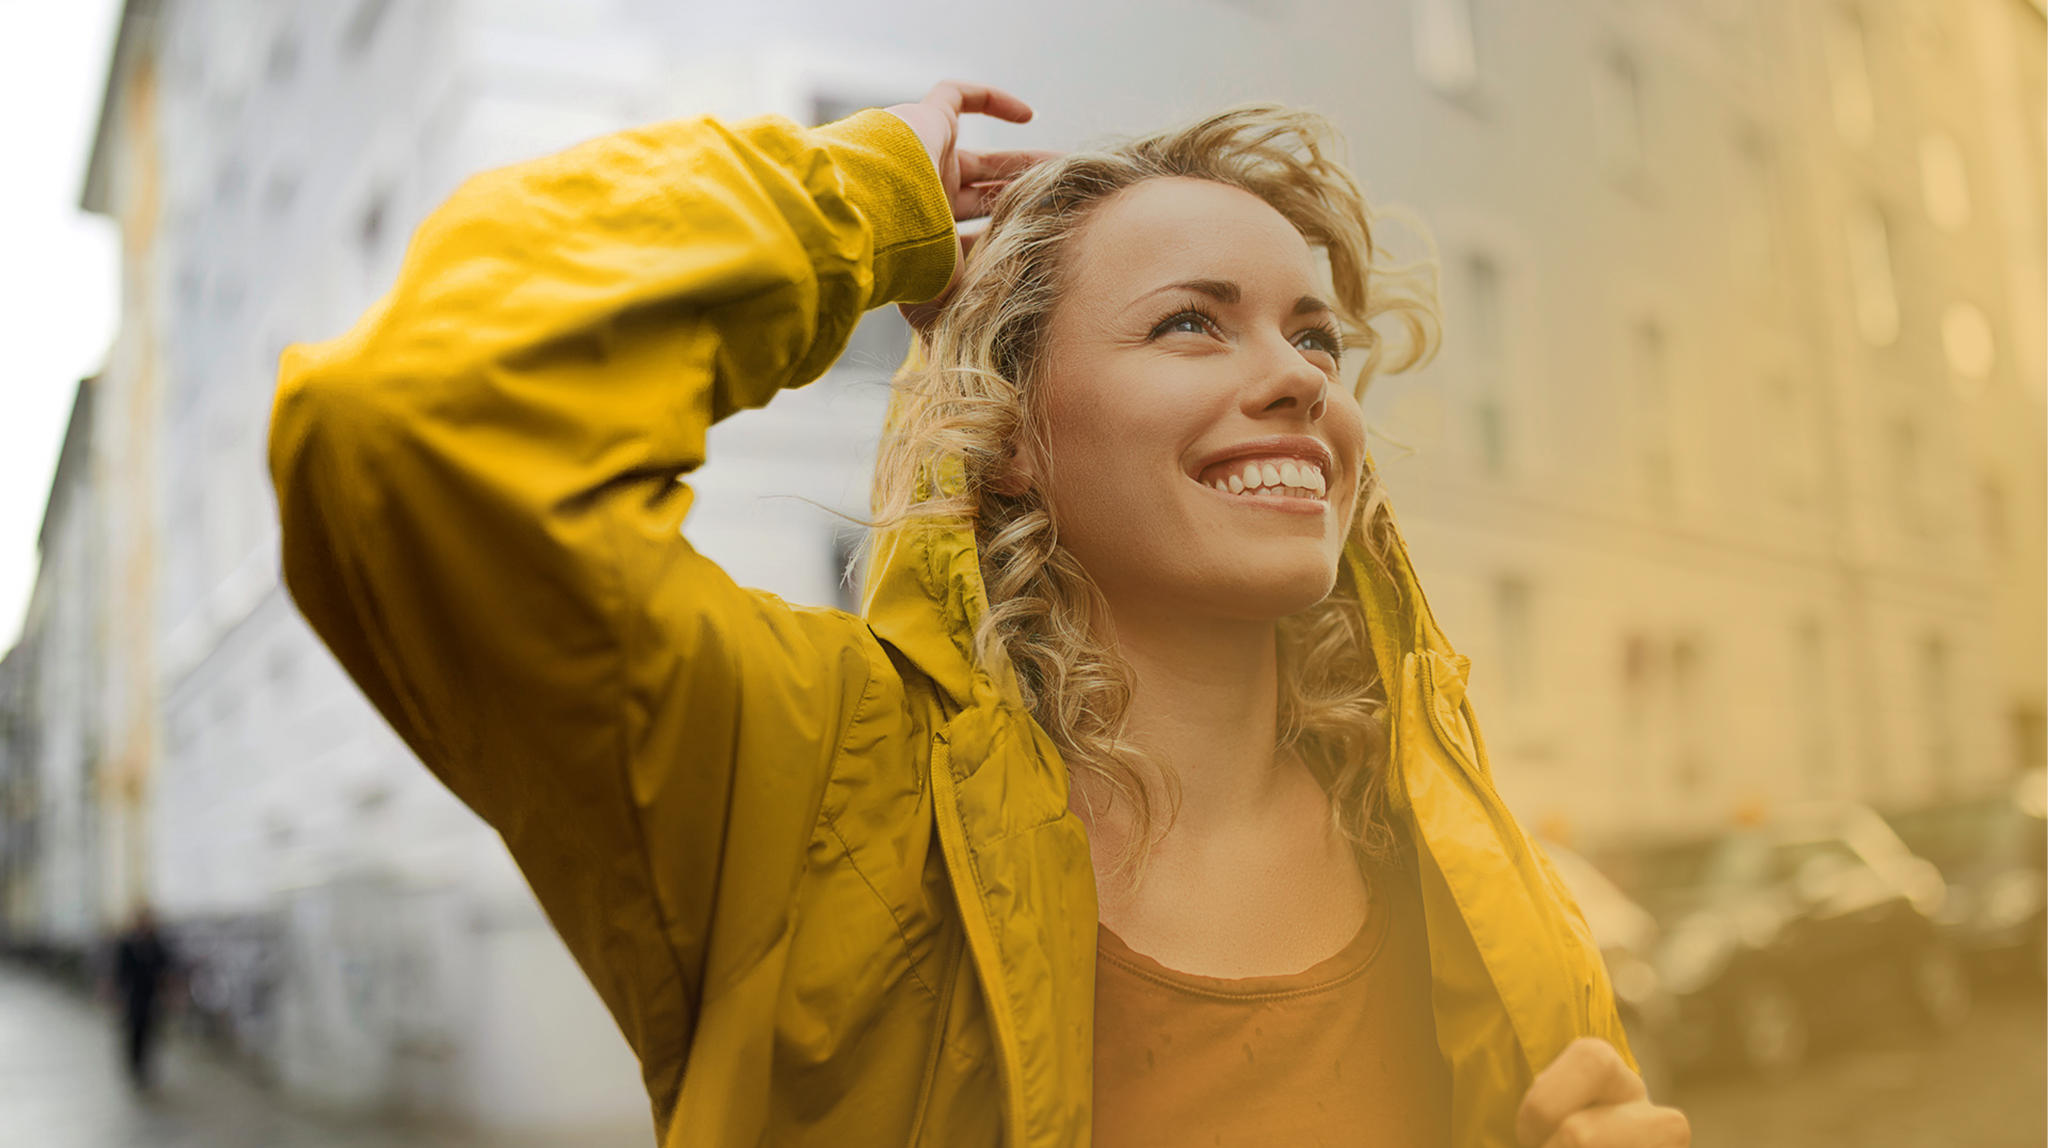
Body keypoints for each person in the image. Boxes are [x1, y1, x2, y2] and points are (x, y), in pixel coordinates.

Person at [270, 79, 1688, 1147]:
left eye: (1312, 334)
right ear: (1010, 435)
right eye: (1190, 322)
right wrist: (855, 203)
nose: (1299, 378)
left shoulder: (1466, 862)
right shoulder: (818, 793)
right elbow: (415, 425)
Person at [112, 905, 177, 1091]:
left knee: (152, 1034)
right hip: (134, 997)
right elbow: (121, 972)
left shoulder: (156, 943)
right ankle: (135, 1067)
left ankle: (146, 1068)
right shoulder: (128, 944)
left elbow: (166, 969)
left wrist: (169, 993)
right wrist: (117, 996)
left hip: (152, 997)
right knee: (135, 1033)